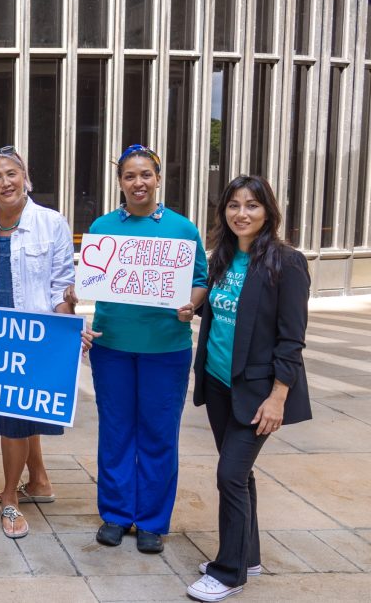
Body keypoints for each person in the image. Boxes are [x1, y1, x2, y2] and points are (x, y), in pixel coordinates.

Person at [75, 144, 208, 554]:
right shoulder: (102, 227)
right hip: (112, 346)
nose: (138, 182)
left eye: (145, 174)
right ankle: (116, 514)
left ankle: (151, 520)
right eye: (130, 176)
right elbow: (89, 281)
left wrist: (192, 304)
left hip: (166, 349)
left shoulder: (182, 229)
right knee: (116, 431)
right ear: (120, 182)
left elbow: (200, 280)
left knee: (159, 433)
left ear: (158, 178)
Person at [186, 176, 311, 602]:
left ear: (268, 211)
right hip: (219, 383)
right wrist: (192, 308)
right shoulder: (222, 258)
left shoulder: (287, 263)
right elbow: (223, 312)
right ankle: (248, 555)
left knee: (229, 476)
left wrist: (279, 396)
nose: (242, 213)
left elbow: (291, 339)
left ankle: (228, 573)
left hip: (257, 392)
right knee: (240, 474)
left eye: (252, 205)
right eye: (234, 205)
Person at [0, 146, 81, 539]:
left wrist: (68, 328)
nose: (6, 182)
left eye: (12, 174)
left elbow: (62, 283)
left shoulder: (52, 222)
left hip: (36, 335)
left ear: (24, 177)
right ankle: (39, 480)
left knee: (15, 417)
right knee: (20, 410)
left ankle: (10, 497)